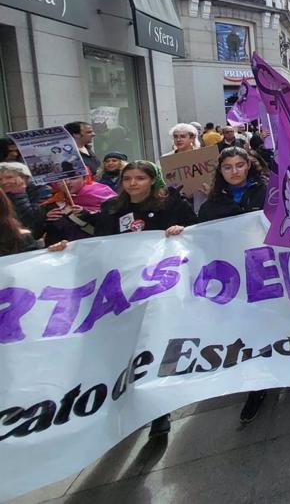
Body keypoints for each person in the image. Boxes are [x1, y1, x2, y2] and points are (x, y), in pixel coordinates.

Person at [86, 161, 194, 437]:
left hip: (161, 288)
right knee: (129, 348)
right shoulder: (111, 210)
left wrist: (180, 231)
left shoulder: (171, 205)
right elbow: (99, 245)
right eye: (127, 179)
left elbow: (194, 233)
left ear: (152, 181)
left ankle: (159, 411)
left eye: (140, 178)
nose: (133, 184)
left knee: (156, 346)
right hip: (124, 289)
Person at [197, 147, 270, 425]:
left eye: (240, 165)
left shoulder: (268, 193)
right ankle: (257, 384)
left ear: (249, 166)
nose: (235, 171)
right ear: (220, 171)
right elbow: (201, 240)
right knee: (247, 329)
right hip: (235, 278)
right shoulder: (211, 204)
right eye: (228, 167)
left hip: (269, 272)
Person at [0, 162, 49, 237]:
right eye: (0, 179)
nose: (3, 182)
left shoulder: (42, 190)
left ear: (24, 177)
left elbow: (32, 221)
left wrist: (19, 193)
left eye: (9, 177)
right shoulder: (2, 194)